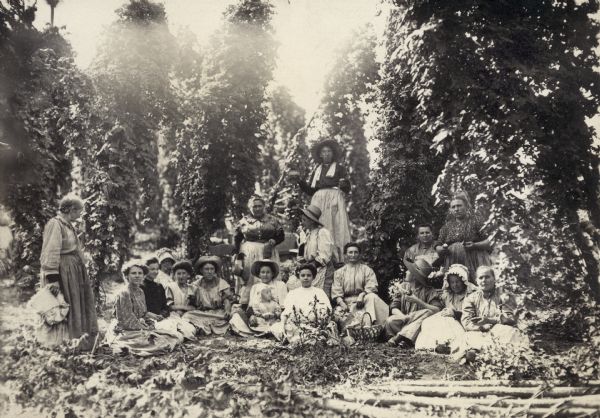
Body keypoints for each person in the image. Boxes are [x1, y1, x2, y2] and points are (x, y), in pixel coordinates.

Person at [38, 194, 97, 349]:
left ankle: (78, 339)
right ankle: (61, 341)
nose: (80, 215)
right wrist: (53, 278)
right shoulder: (55, 224)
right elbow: (51, 250)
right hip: (63, 270)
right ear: (71, 209)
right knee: (62, 304)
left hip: (73, 269)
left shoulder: (68, 225)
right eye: (79, 211)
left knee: (75, 302)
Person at [289, 139, 351, 261]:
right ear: (320, 155)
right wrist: (299, 181)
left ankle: (336, 257)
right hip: (318, 199)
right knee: (318, 224)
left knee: (335, 225)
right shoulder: (316, 170)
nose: (326, 154)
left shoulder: (339, 168)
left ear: (333, 154)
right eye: (324, 152)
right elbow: (311, 190)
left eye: (329, 151)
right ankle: (317, 254)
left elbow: (346, 188)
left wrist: (344, 184)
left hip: (334, 198)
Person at [451, 266, 529, 361]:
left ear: (494, 279)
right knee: (467, 336)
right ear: (476, 281)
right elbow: (466, 322)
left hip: (500, 329)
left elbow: (510, 318)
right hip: (480, 331)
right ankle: (478, 353)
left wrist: (491, 321)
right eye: (481, 278)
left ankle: (484, 353)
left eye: (487, 277)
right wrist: (481, 327)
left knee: (508, 332)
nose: (484, 280)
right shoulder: (471, 298)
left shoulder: (504, 295)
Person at [106, 262, 180, 356]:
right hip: (127, 329)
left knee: (172, 337)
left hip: (139, 326)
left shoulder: (140, 291)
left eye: (140, 273)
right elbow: (126, 320)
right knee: (158, 343)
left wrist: (151, 319)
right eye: (133, 273)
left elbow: (142, 313)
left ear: (144, 276)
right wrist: (145, 328)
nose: (137, 276)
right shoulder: (125, 293)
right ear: (127, 276)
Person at [234, 196, 285, 306]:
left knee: (268, 274)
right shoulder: (244, 221)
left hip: (268, 251)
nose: (257, 208)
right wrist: (238, 255)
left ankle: (272, 303)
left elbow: (281, 236)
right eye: (254, 206)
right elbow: (237, 238)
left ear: (264, 206)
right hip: (249, 252)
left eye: (259, 206)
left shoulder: (273, 220)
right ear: (250, 208)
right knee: (249, 276)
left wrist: (274, 241)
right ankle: (247, 303)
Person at [415, 264, 478, 351]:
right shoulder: (448, 295)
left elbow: (473, 315)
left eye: (457, 281)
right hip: (449, 322)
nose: (455, 285)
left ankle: (450, 346)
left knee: (448, 320)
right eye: (452, 282)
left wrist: (455, 313)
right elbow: (441, 307)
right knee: (429, 321)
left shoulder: (472, 294)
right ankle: (434, 344)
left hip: (464, 325)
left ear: (464, 281)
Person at [385, 259, 443, 348]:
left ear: (415, 276)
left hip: (419, 326)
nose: (406, 272)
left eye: (409, 270)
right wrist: (404, 317)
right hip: (406, 321)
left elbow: (438, 310)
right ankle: (404, 339)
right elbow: (394, 306)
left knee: (428, 312)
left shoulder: (429, 291)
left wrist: (417, 301)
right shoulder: (404, 286)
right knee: (390, 321)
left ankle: (398, 338)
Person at [436, 192, 492, 280]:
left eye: (459, 206)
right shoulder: (446, 226)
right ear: (450, 209)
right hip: (453, 262)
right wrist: (441, 249)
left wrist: (475, 245)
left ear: (466, 206)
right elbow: (438, 245)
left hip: (475, 260)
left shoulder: (476, 220)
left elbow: (490, 241)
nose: (456, 209)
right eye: (453, 207)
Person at [278, 264, 338, 346]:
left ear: (313, 277)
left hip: (316, 323)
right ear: (299, 277)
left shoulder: (319, 292)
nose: (306, 278)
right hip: (297, 324)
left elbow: (327, 310)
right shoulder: (293, 293)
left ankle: (313, 337)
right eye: (303, 275)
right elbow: (287, 312)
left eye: (309, 275)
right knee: (280, 327)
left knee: (326, 329)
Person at [331, 242, 389, 327]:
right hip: (346, 302)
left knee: (372, 296)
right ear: (345, 255)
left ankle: (369, 327)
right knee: (339, 316)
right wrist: (342, 303)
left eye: (356, 252)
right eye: (350, 252)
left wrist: (361, 295)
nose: (353, 255)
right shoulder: (339, 272)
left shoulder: (366, 270)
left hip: (363, 301)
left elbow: (372, 285)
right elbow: (336, 290)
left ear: (359, 254)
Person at [229, 259, 287, 336]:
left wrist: (276, 314)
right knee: (236, 317)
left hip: (275, 318)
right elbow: (251, 306)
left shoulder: (280, 285)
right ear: (259, 274)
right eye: (263, 272)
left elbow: (284, 305)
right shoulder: (255, 287)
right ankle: (258, 330)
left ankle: (272, 330)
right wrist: (252, 316)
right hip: (259, 319)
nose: (265, 275)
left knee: (283, 325)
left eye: (268, 272)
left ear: (272, 274)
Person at [183, 256, 233, 336]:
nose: (210, 272)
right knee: (188, 315)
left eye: (212, 269)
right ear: (201, 270)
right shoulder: (195, 285)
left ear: (215, 270)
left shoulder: (222, 283)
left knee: (232, 315)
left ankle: (204, 328)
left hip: (217, 313)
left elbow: (226, 300)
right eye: (206, 269)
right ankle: (202, 327)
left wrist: (227, 310)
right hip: (202, 313)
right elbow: (190, 303)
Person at [299, 205, 336, 298]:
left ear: (311, 221)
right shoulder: (307, 233)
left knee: (318, 295)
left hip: (320, 267)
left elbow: (325, 256)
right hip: (309, 267)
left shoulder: (322, 232)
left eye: (304, 220)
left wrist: (311, 266)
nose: (302, 223)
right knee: (293, 283)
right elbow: (302, 253)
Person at [155, 260, 197, 340]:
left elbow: (195, 306)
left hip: (189, 315)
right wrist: (185, 307)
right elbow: (169, 306)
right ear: (174, 275)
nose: (181, 276)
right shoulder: (170, 287)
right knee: (173, 327)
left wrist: (189, 309)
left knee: (193, 328)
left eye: (184, 273)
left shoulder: (193, 288)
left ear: (188, 275)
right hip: (174, 314)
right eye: (178, 273)